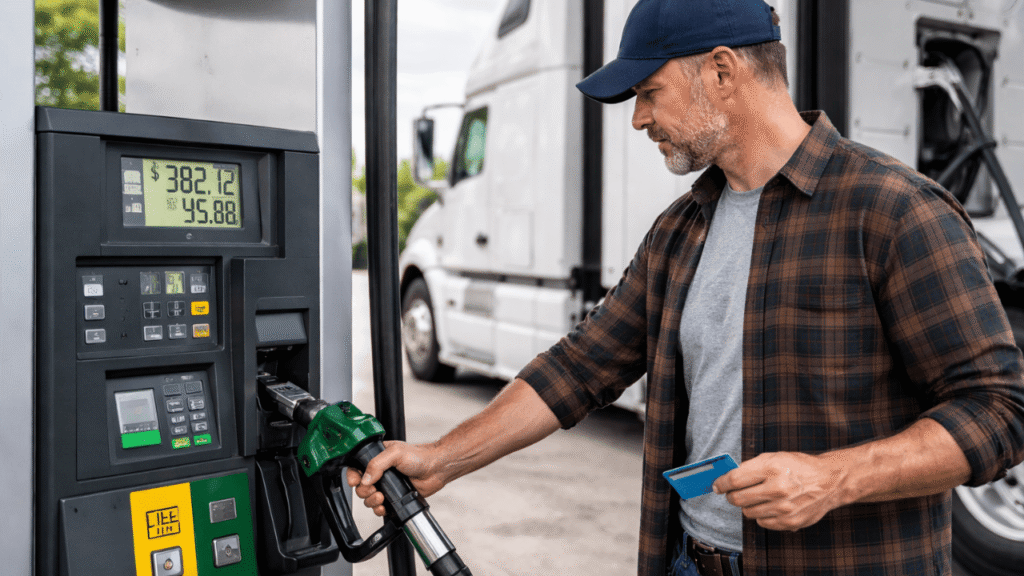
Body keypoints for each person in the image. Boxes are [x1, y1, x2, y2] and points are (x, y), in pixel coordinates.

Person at [348, 1, 1024, 574]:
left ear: (722, 71)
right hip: (690, 560)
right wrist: (443, 459)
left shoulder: (895, 211)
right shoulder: (681, 230)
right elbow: (579, 367)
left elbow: (999, 409)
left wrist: (834, 478)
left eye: (649, 92)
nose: (638, 119)